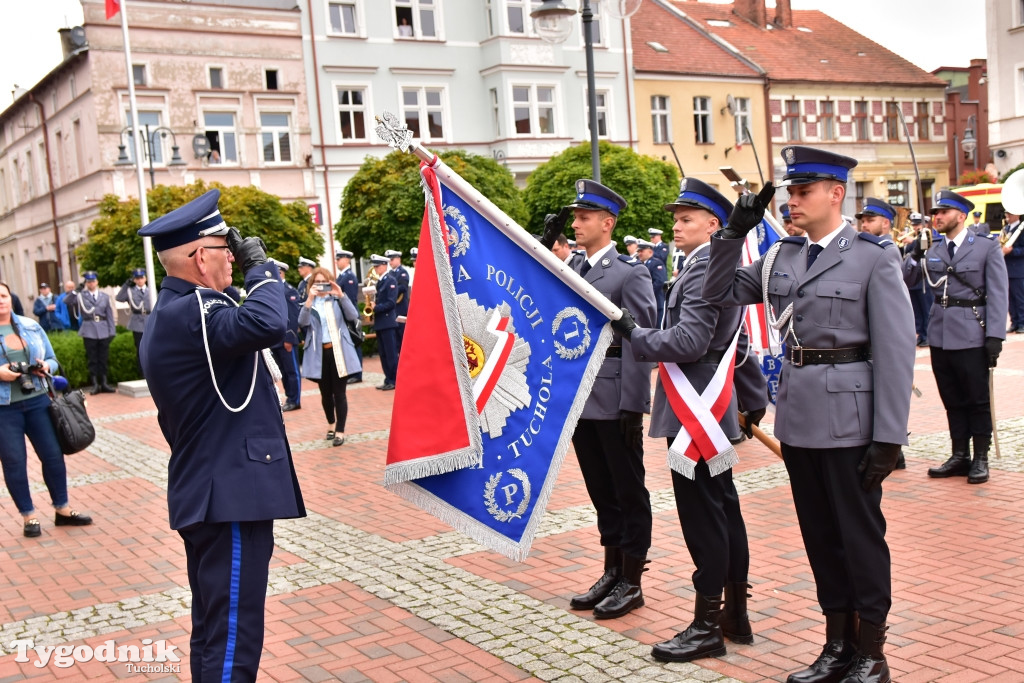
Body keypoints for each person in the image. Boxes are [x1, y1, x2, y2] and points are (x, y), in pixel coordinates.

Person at [702, 145, 915, 683]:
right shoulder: (781, 256)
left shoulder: (873, 255)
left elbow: (895, 351)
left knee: (860, 538)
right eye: (790, 192)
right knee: (820, 537)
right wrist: (731, 234)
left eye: (803, 192)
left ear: (835, 193)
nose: (792, 201)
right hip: (799, 420)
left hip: (851, 422)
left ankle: (871, 652)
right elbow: (718, 291)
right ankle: (836, 645)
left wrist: (889, 436)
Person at [137, 188, 305, 682]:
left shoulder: (180, 312)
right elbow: (270, 321)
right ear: (197, 258)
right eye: (223, 247)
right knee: (233, 634)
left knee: (215, 630)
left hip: (216, 489)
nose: (232, 255)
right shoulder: (195, 311)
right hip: (228, 494)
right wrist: (262, 267)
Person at [616, 178, 768, 662]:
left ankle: (707, 625)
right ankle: (733, 614)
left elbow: (689, 342)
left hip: (692, 413)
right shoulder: (707, 265)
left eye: (686, 218)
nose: (675, 224)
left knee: (703, 515)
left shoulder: (705, 267)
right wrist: (750, 397)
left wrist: (635, 335)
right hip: (711, 408)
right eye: (676, 217)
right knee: (723, 508)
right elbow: (736, 345)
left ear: (714, 225)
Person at [543, 179, 656, 620]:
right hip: (581, 398)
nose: (576, 223)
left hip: (613, 397)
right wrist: (540, 237)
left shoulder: (631, 273)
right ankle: (611, 569)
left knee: (628, 490)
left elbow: (640, 341)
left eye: (583, 217)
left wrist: (634, 403)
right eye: (574, 218)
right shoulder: (575, 269)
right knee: (600, 489)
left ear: (607, 224)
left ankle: (632, 579)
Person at [905, 190, 1008, 486]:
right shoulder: (932, 247)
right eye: (935, 213)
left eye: (943, 212)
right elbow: (909, 281)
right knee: (951, 398)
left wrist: (995, 336)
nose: (936, 217)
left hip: (973, 332)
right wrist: (915, 255)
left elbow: (998, 294)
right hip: (940, 333)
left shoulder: (985, 247)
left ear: (960, 216)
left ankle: (980, 458)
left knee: (976, 399)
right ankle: (959, 454)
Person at [0, 281, 93, 539]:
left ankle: (62, 509)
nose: (1, 300)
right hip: (4, 408)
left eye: (4, 295)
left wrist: (46, 367)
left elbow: (52, 359)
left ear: (11, 297)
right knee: (14, 462)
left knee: (53, 456)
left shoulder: (30, 325)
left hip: (39, 400)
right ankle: (28, 516)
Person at [299, 267, 361, 446]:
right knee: (325, 394)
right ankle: (331, 424)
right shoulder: (309, 304)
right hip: (319, 354)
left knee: (339, 393)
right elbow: (302, 323)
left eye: (323, 282)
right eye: (316, 283)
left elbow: (353, 315)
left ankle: (340, 430)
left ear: (330, 282)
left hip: (339, 352)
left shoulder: (337, 300)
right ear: (311, 285)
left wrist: (341, 294)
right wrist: (309, 299)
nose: (320, 286)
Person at [76, 271, 116, 394]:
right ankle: (95, 384)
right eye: (88, 281)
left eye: (93, 281)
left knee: (103, 358)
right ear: (86, 283)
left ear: (97, 282)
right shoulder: (81, 295)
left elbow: (109, 314)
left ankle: (104, 382)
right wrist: (75, 291)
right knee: (92, 358)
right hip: (89, 330)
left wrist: (112, 330)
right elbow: (67, 301)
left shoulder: (104, 296)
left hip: (103, 329)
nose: (91, 283)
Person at [270, 260, 302, 412]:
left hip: (286, 339)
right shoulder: (273, 289)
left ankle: (295, 400)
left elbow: (294, 316)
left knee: (292, 371)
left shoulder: (288, 290)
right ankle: (289, 396)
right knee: (283, 372)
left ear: (280, 272)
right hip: (276, 340)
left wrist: (289, 338)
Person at [900, 213, 935, 347]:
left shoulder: (928, 236)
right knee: (916, 310)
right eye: (914, 225)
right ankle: (920, 334)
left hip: (923, 279)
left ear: (925, 224)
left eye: (918, 225)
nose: (915, 227)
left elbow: (926, 248)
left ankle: (927, 335)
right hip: (911, 279)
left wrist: (913, 242)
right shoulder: (913, 238)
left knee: (926, 308)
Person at [367, 254, 399, 391]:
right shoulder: (380, 281)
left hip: (388, 322)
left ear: (384, 265)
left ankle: (394, 379)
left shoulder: (390, 280)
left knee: (391, 354)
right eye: (374, 266)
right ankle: (388, 378)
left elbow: (391, 303)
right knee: (383, 354)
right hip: (381, 323)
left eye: (377, 266)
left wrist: (376, 307)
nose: (375, 269)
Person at [115, 268, 152, 378]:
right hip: (137, 322)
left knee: (152, 349)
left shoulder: (151, 290)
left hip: (150, 320)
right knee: (140, 350)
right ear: (134, 280)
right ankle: (143, 374)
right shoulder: (130, 291)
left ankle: (152, 373)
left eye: (141, 278)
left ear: (145, 278)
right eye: (137, 278)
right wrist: (126, 285)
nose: (140, 280)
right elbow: (119, 298)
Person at [335, 249, 363, 384]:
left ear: (347, 260)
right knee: (349, 343)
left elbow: (350, 299)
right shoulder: (341, 276)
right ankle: (353, 371)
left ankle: (357, 373)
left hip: (349, 315)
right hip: (343, 315)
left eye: (339, 259)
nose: (337, 261)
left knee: (355, 341)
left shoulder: (349, 276)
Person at [1001, 210, 1024, 333]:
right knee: (1009, 298)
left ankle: (1022, 323)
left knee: (1019, 297)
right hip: (1006, 268)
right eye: (1006, 213)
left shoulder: (1022, 229)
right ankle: (1014, 322)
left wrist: (1012, 251)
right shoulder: (1006, 229)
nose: (1007, 216)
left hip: (1018, 269)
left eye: (1009, 213)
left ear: (1017, 215)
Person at [637, 240, 667, 325]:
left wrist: (646, 294)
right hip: (648, 302)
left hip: (656, 301)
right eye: (638, 251)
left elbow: (659, 282)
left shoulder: (656, 263)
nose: (639, 253)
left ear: (650, 251)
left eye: (642, 251)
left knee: (657, 328)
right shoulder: (643, 264)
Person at [386, 250, 410, 352]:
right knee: (395, 340)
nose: (390, 262)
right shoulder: (390, 273)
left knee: (402, 337)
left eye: (392, 259)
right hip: (393, 309)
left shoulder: (403, 273)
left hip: (401, 308)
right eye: (389, 260)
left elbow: (403, 287)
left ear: (398, 259)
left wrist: (391, 289)